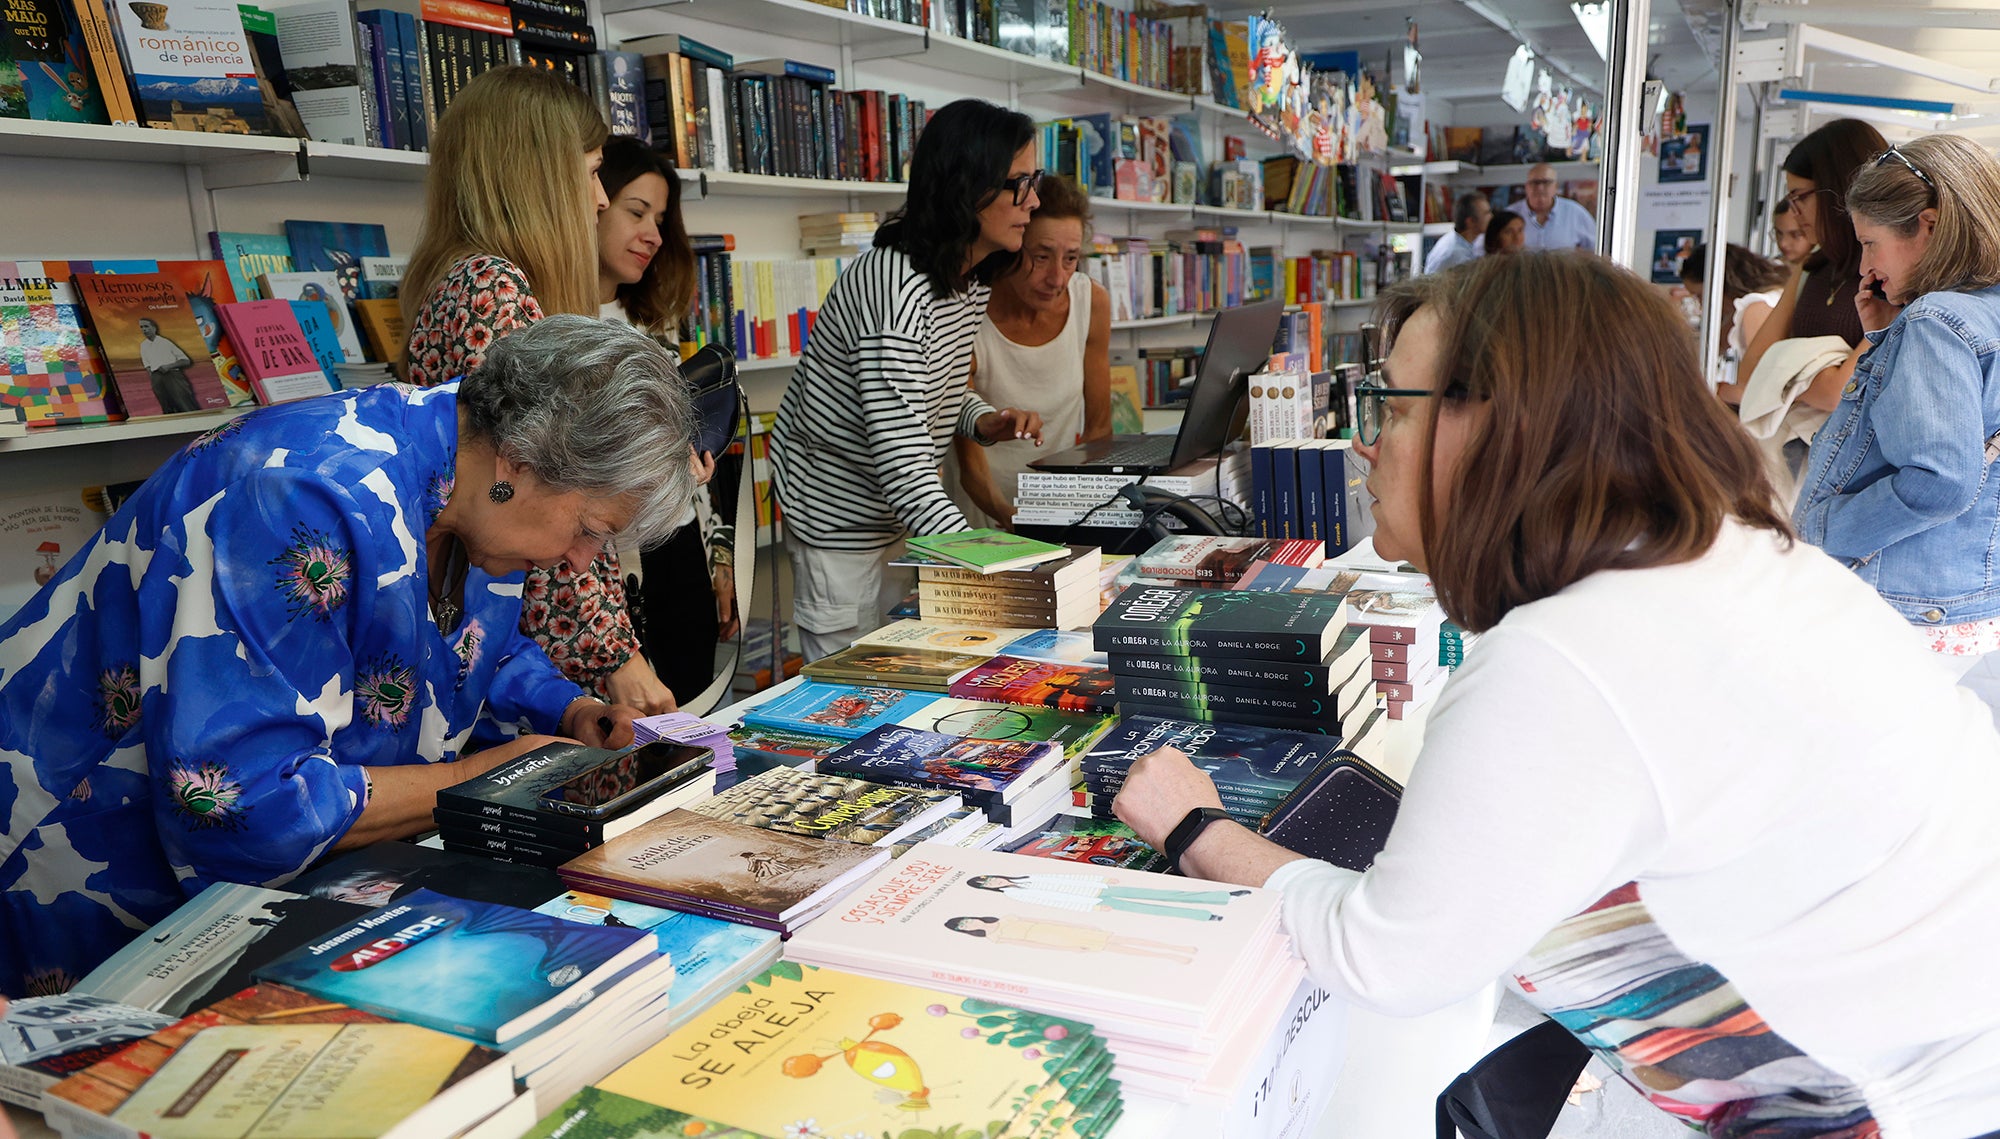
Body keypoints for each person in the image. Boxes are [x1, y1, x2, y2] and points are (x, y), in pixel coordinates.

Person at [1113, 252, 2000, 1137]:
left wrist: (1197, 827)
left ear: (1500, 426)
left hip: (1896, 1101)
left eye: (1390, 404)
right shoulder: (1712, 558)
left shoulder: (1571, 654)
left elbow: (1389, 956)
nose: (1364, 443)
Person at [0, 315, 697, 997]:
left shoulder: (479, 489)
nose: (581, 560)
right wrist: (476, 778)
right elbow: (245, 797)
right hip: (68, 865)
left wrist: (567, 708)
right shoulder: (303, 495)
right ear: (521, 460)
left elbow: (455, 639)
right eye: (588, 529)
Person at [400, 65, 676, 714]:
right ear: (539, 177)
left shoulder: (463, 278)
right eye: (590, 172)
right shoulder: (492, 289)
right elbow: (540, 492)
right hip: (526, 654)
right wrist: (616, 656)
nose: (601, 199)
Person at [768, 98, 1047, 661]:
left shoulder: (965, 279)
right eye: (1019, 183)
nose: (1033, 201)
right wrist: (992, 561)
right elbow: (901, 458)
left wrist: (981, 419)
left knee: (900, 669)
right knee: (851, 689)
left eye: (1033, 181)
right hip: (837, 524)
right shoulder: (894, 289)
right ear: (969, 187)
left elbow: (925, 389)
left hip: (893, 518)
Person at [1795, 135, 2000, 720]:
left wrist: (1829, 529)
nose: (1865, 267)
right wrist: (1891, 334)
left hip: (1901, 595)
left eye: (1869, 243)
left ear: (1928, 227)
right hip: (1964, 592)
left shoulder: (1939, 322)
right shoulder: (1978, 314)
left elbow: (1939, 479)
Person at [593, 136, 739, 704]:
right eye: (637, 212)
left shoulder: (649, 326)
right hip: (612, 572)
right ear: (596, 203)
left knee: (695, 726)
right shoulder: (556, 322)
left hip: (679, 555)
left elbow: (695, 452)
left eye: (660, 218)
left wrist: (717, 559)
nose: (652, 234)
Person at [951, 173, 1111, 528]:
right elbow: (970, 468)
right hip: (978, 519)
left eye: (1070, 259)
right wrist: (1017, 522)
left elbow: (1099, 430)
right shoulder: (966, 311)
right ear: (1013, 244)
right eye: (1041, 257)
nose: (1057, 278)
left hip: (1064, 514)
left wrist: (1086, 515)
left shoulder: (1091, 301)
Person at [1739, 118, 1887, 411]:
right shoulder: (1812, 266)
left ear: (1837, 189)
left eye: (1799, 198)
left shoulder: (1890, 272)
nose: (1794, 214)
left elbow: (1837, 392)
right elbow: (1750, 372)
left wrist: (1780, 379)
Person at [1680, 242, 1788, 401]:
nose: (1702, 306)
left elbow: (1762, 395)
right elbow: (1714, 345)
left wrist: (1715, 389)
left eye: (1700, 296)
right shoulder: (1764, 298)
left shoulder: (1756, 308)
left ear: (1722, 285)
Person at [1506, 163, 1595, 251]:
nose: (1540, 188)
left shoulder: (1575, 212)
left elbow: (1595, 249)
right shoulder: (1510, 214)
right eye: (1535, 183)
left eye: (1546, 182)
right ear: (1526, 187)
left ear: (1555, 187)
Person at [136, 318, 199, 414]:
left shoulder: (165, 342)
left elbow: (186, 361)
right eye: (141, 327)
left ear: (154, 328)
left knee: (184, 404)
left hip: (172, 376)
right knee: (167, 407)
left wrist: (169, 366)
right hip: (157, 378)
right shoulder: (143, 345)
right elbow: (147, 365)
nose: (144, 329)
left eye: (146, 326)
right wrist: (154, 378)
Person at [1424, 191, 1490, 274]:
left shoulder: (1454, 240)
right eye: (1486, 213)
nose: (1491, 217)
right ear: (1471, 222)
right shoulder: (1458, 257)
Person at [1772, 197, 1813, 268]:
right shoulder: (1770, 271)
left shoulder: (1828, 274)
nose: (1783, 244)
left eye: (1796, 234)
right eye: (1779, 233)